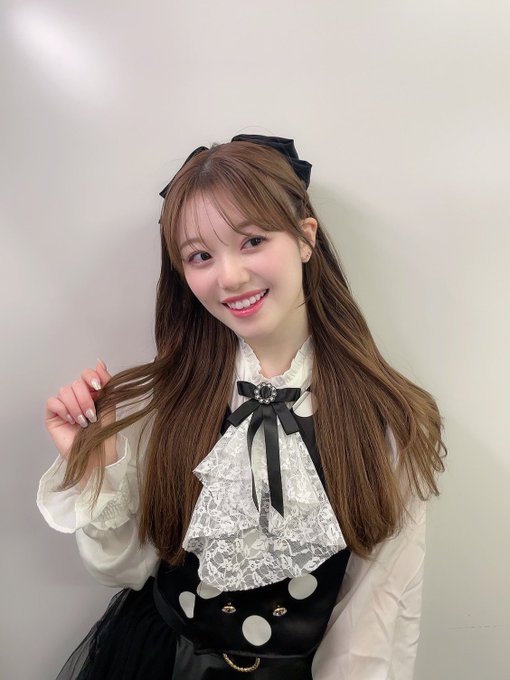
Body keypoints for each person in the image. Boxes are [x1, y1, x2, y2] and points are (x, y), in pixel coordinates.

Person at [38, 134, 447, 679]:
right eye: (200, 256)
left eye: (252, 240)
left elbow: (374, 624)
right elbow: (124, 570)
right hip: (157, 662)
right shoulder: (162, 400)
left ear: (305, 238)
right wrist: (97, 466)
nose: (229, 277)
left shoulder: (388, 420)